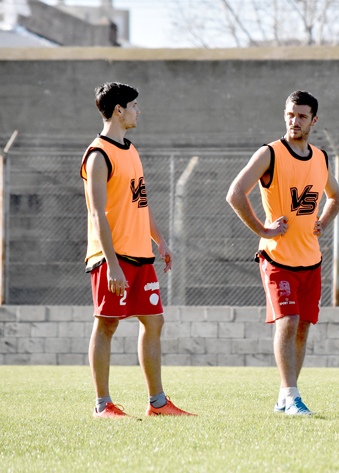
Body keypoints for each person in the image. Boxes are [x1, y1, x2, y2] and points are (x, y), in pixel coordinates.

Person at [81, 82, 195, 418]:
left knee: (154, 321)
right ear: (118, 110)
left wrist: (159, 241)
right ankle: (103, 405)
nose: (137, 111)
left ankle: (157, 403)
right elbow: (96, 214)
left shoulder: (131, 150)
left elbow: (140, 203)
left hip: (141, 256)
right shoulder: (98, 155)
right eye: (133, 105)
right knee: (107, 325)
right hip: (110, 258)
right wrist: (112, 265)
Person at [226, 90, 339, 415]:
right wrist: (263, 230)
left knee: (302, 326)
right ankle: (292, 396)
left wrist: (324, 219)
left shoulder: (320, 157)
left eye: (302, 116)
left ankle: (284, 395)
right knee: (288, 321)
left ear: (313, 121)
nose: (294, 121)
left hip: (311, 260)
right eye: (290, 114)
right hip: (276, 258)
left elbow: (335, 195)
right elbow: (235, 193)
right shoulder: (270, 154)